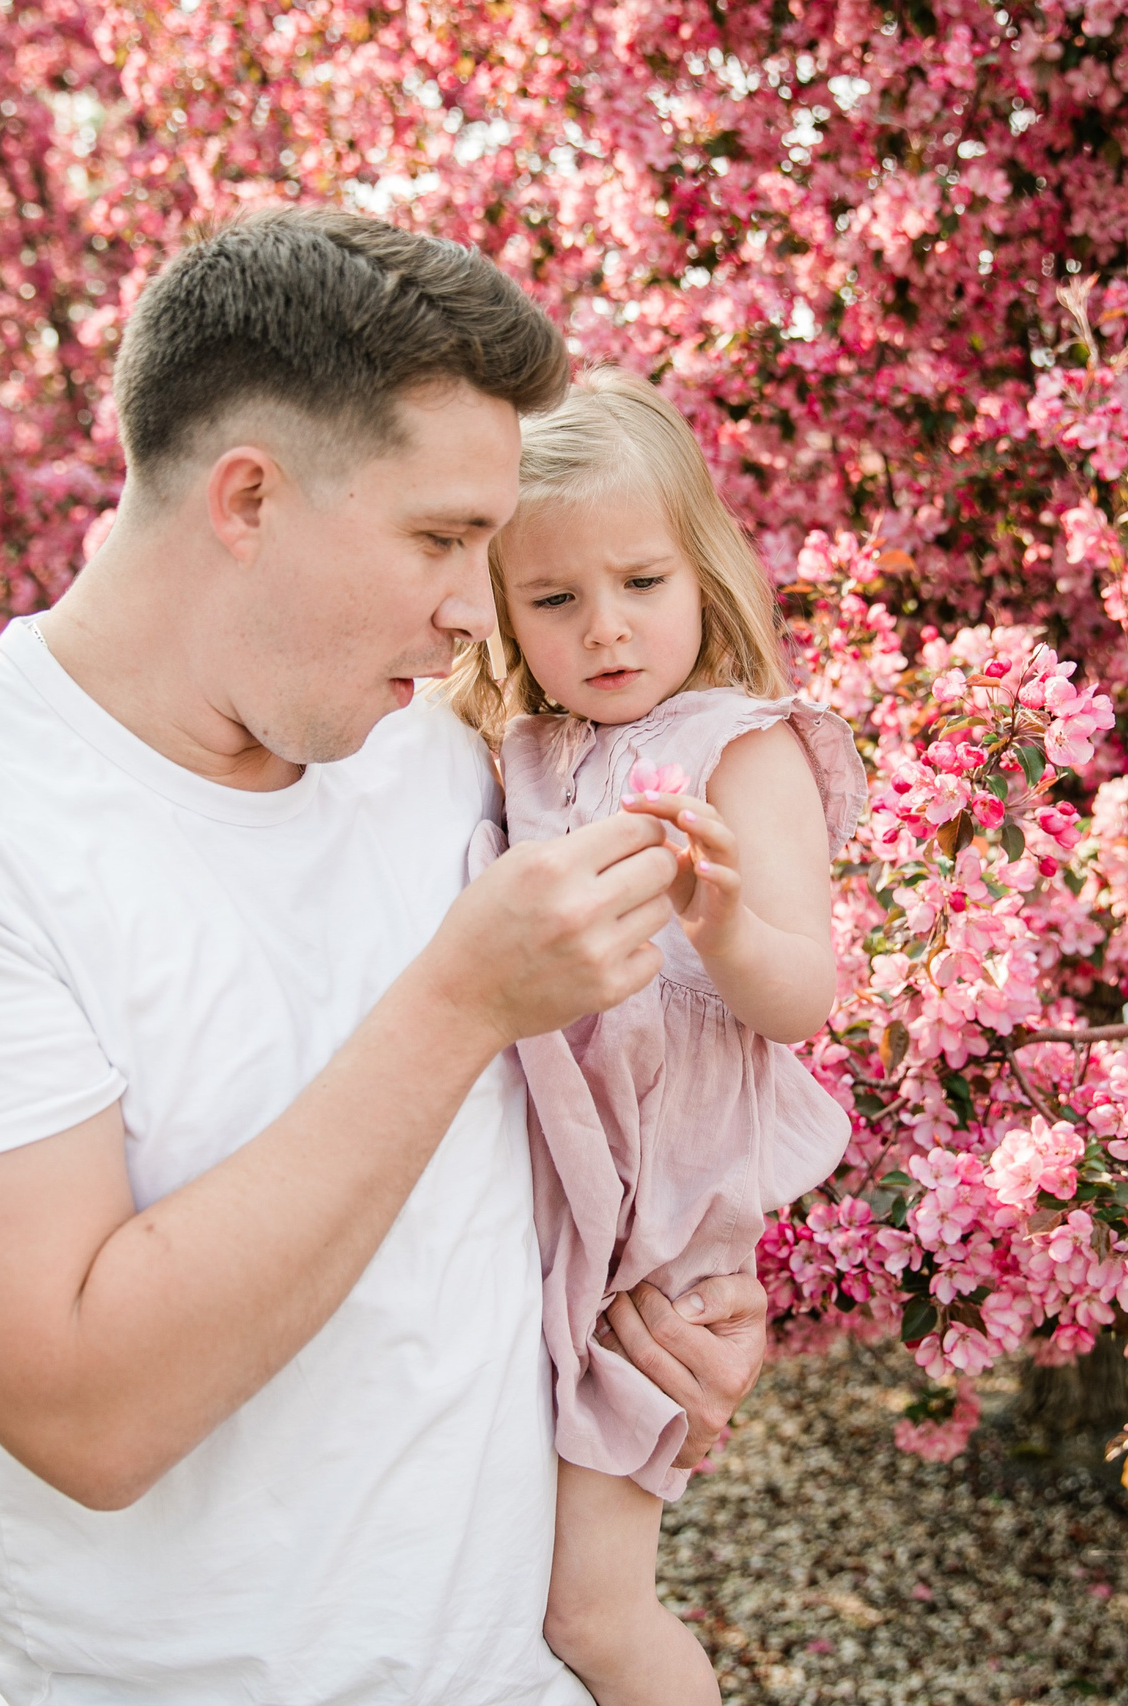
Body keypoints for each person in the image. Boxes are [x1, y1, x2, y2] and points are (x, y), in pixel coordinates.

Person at [0, 210, 771, 1704]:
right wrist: (459, 1001)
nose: (474, 609)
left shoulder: (438, 758)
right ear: (247, 498)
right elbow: (89, 1409)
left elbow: (552, 1166)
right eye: (440, 539)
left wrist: (676, 1312)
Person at [440, 370, 863, 1704]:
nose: (606, 628)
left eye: (640, 582)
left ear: (702, 571)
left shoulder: (746, 749)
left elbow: (801, 995)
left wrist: (720, 920)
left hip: (664, 1224)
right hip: (548, 1198)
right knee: (496, 1567)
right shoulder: (520, 747)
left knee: (594, 1606)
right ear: (503, 610)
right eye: (555, 599)